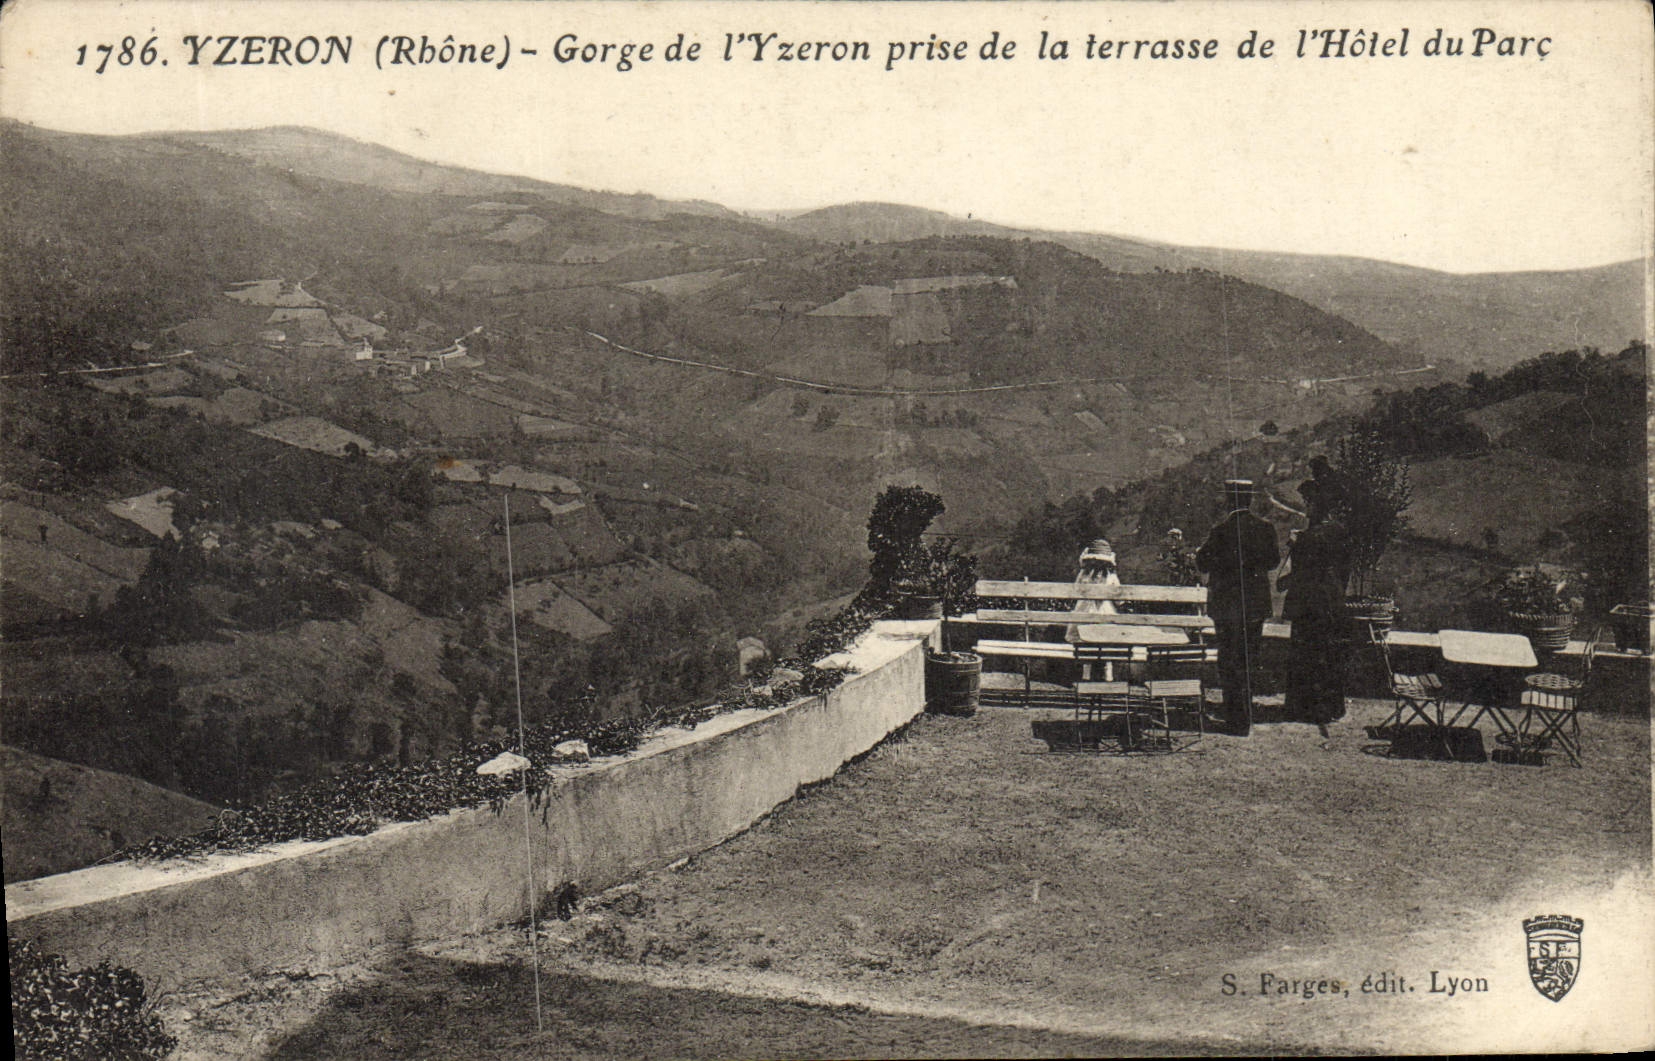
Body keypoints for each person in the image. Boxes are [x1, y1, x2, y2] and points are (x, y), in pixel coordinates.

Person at [1195, 480, 1280, 735]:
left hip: (1226, 608)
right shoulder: (1265, 529)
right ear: (1249, 500)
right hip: (1254, 606)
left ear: (1229, 501)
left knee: (1229, 660)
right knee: (1249, 658)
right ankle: (1245, 716)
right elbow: (1273, 562)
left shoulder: (1220, 530)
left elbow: (1203, 563)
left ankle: (1235, 716)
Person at [1281, 480, 1353, 736]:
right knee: (1329, 654)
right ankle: (1331, 707)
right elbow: (1345, 569)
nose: (1306, 508)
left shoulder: (1309, 538)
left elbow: (1301, 571)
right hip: (1332, 600)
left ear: (1316, 506)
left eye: (1308, 503)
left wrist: (1295, 545)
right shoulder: (1341, 532)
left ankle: (1303, 708)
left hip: (1310, 603)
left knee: (1305, 653)